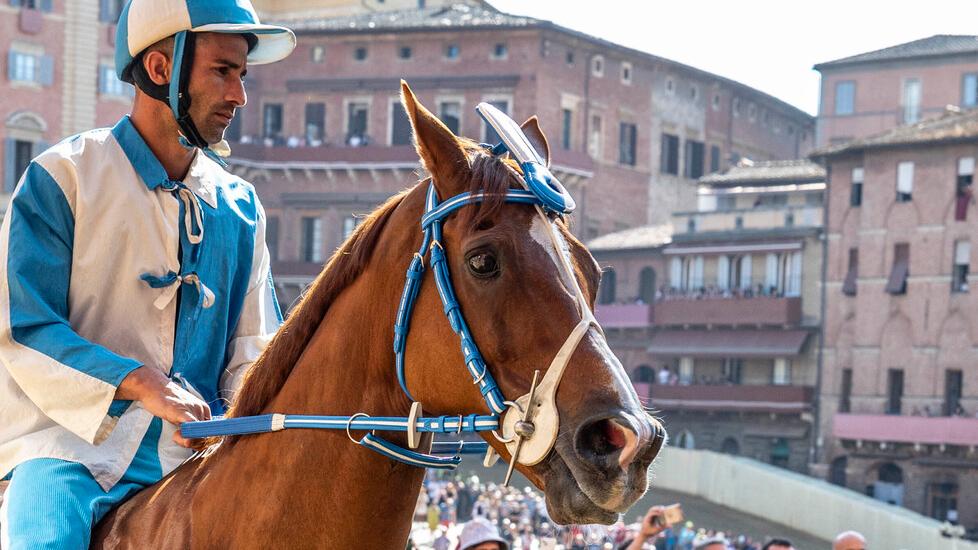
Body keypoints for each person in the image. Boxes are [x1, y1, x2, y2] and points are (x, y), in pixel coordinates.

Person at [0, 1, 295, 548]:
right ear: (161, 70)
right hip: (66, 452)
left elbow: (255, 347)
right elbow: (26, 330)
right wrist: (142, 383)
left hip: (199, 453)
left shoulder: (241, 205)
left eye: (243, 75)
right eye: (222, 71)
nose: (239, 96)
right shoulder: (62, 178)